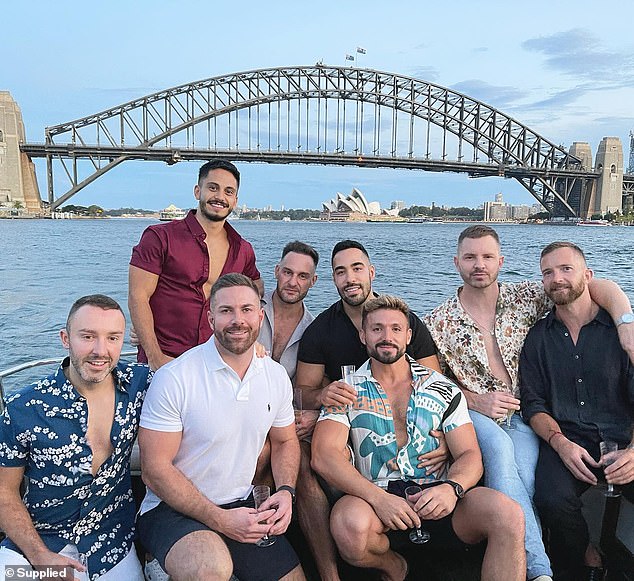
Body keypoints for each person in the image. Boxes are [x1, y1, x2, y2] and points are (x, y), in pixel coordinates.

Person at [424, 225, 634, 581]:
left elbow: (595, 287)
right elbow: (431, 381)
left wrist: (625, 323)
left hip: (523, 416)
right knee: (509, 464)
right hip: (481, 415)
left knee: (527, 475)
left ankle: (543, 560)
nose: (479, 265)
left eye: (487, 257)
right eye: (470, 257)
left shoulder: (526, 297)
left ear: (500, 262)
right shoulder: (436, 321)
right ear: (456, 262)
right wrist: (475, 401)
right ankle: (541, 569)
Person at [312, 294, 526, 581]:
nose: (386, 336)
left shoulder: (441, 387)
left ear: (409, 335)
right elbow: (323, 456)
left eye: (395, 329)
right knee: (347, 525)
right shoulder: (346, 391)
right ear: (363, 336)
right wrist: (378, 499)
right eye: (377, 329)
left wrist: (452, 488)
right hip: (378, 504)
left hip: (440, 497)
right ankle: (396, 569)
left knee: (508, 514)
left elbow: (470, 455)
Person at [137, 273, 304, 581]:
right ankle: (158, 562)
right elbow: (154, 470)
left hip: (240, 504)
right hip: (171, 510)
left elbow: (284, 442)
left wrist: (286, 491)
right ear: (211, 317)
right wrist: (220, 520)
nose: (237, 320)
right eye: (226, 311)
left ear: (260, 315)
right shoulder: (176, 378)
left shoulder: (276, 376)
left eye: (246, 310)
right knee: (211, 569)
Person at [0, 295, 151, 581]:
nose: (100, 350)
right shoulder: (24, 407)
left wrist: (247, 352)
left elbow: (193, 376)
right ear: (65, 338)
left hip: (111, 543)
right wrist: (39, 557)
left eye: (112, 338)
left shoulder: (141, 385)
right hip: (36, 543)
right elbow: (3, 490)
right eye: (88, 336)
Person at [520, 241, 634, 581]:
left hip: (623, 440)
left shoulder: (621, 334)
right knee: (550, 498)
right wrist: (560, 444)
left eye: (566, 269)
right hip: (569, 441)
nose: (557, 278)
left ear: (588, 275)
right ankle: (583, 559)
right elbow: (533, 404)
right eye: (548, 273)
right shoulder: (538, 338)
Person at [129, 159, 264, 370]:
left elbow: (256, 294)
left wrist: (250, 340)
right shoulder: (160, 237)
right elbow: (138, 296)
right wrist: (154, 356)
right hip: (165, 360)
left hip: (217, 364)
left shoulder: (243, 249)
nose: (220, 197)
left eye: (229, 192)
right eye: (213, 188)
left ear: (235, 201)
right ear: (197, 191)